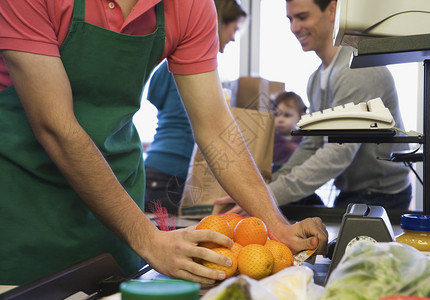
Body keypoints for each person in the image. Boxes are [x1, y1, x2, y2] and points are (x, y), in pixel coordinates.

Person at [0, 0, 327, 285]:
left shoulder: (190, 6)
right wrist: (147, 238)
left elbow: (214, 126)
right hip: (23, 198)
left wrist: (276, 225)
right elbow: (55, 125)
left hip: (115, 204)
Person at [215, 0, 411, 214]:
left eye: (302, 17)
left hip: (383, 195)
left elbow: (338, 152)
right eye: (290, 19)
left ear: (332, 9)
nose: (294, 28)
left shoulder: (356, 69)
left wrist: (267, 197)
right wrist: (265, 191)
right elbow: (311, 145)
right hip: (352, 191)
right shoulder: (316, 80)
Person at [144, 0, 247, 216]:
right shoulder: (196, 71)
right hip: (175, 175)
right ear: (218, 21)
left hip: (152, 168)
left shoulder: (165, 67)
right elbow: (212, 122)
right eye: (233, 29)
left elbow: (155, 97)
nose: (233, 37)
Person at [272, 91, 307, 173]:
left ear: (300, 118)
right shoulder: (270, 138)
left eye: (287, 115)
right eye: (276, 114)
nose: (280, 119)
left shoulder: (303, 139)